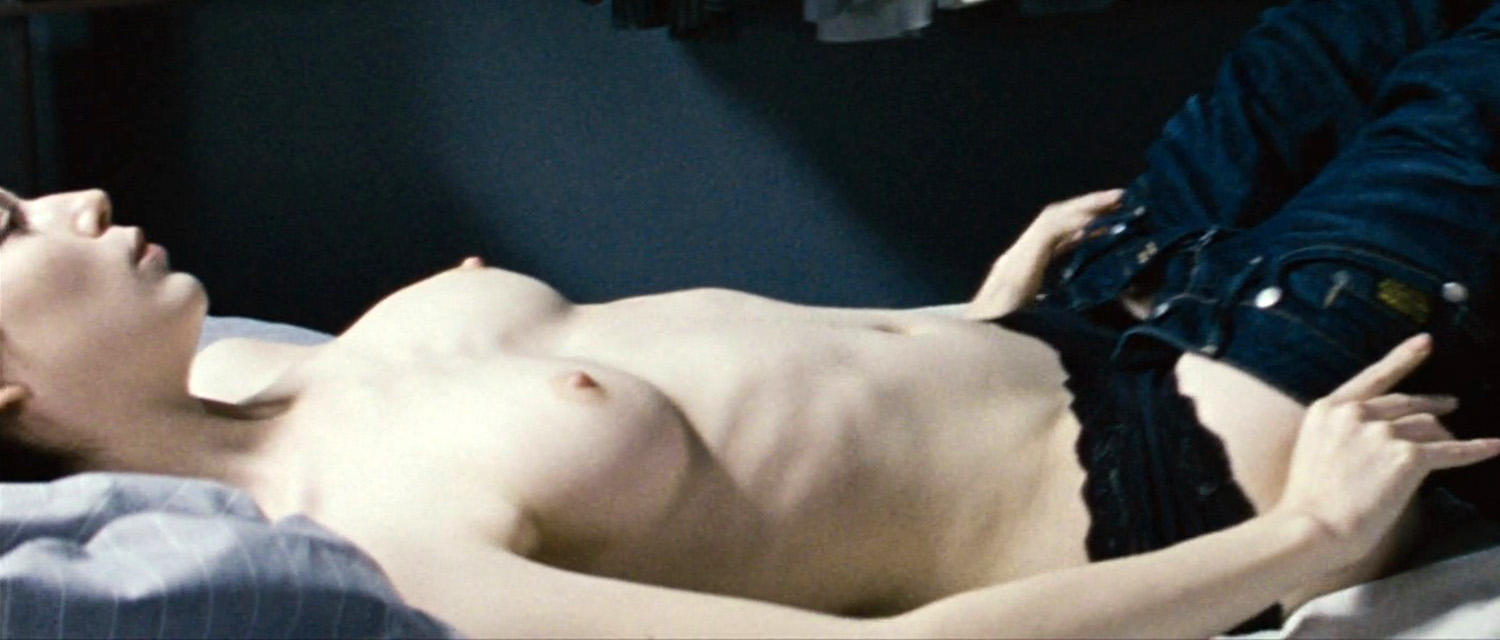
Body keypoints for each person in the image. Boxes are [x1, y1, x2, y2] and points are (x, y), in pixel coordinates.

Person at [2, 0, 1499, 636]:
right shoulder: (387, 557)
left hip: (1088, 306)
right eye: (12, 228)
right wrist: (1308, 540)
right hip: (1186, 441)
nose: (75, 201)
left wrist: (967, 314)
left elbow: (743, 405)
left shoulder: (255, 364)